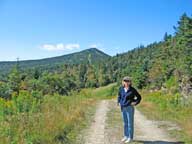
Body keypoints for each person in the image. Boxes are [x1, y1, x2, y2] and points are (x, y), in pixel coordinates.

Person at [117, 76, 142, 143]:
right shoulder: (121, 88)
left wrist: (135, 102)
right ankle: (126, 136)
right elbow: (119, 96)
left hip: (129, 108)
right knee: (125, 123)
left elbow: (139, 97)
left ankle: (130, 137)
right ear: (123, 82)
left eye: (128, 81)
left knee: (130, 123)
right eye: (125, 81)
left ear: (130, 82)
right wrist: (119, 102)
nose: (127, 82)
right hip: (123, 108)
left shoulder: (132, 90)